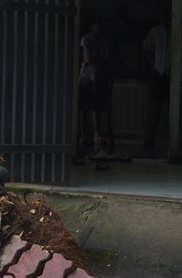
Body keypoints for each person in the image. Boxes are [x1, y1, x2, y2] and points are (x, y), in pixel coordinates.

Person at [76, 17, 115, 170]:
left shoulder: (103, 41)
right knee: (85, 105)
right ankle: (83, 134)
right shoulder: (86, 39)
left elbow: (106, 57)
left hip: (99, 77)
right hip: (87, 77)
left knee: (96, 105)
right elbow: (87, 59)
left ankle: (96, 135)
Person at [143, 13, 170, 156]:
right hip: (159, 73)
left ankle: (172, 141)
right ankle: (150, 139)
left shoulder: (176, 32)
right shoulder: (156, 31)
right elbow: (146, 47)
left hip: (171, 75)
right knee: (155, 109)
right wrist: (152, 65)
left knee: (172, 111)